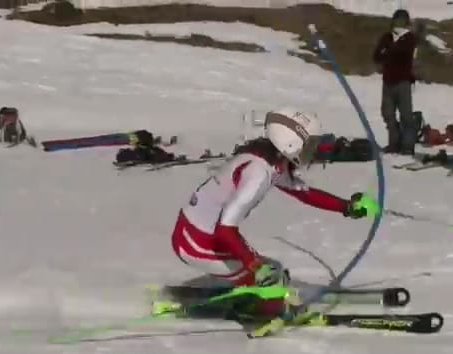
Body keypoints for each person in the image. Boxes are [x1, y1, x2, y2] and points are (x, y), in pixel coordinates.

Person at [170, 107, 378, 311]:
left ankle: (252, 298)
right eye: (309, 145)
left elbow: (304, 193)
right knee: (271, 286)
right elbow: (225, 228)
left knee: (274, 273)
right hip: (197, 241)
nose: (312, 152)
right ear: (289, 144)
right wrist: (255, 267)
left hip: (202, 234)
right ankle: (264, 313)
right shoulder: (259, 173)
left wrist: (347, 207)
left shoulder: (270, 159)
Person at [373, 9, 419, 155]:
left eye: (401, 21)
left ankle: (407, 145)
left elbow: (403, 55)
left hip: (403, 82)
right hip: (387, 81)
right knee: (388, 114)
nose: (398, 24)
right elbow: (376, 56)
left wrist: (388, 51)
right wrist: (388, 51)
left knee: (406, 115)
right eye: (396, 20)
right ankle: (394, 143)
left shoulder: (410, 38)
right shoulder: (386, 37)